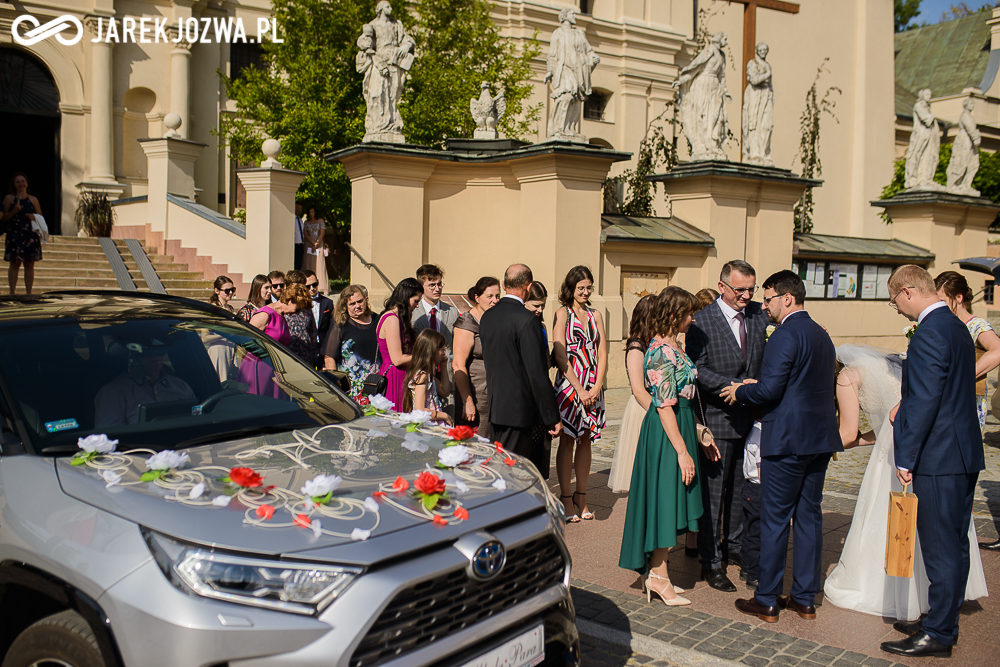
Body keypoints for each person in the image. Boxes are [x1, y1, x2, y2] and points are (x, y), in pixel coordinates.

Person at [823, 345, 988, 621]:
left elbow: (848, 434)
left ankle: (889, 592)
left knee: (891, 518)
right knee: (932, 525)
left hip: (893, 457)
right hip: (923, 447)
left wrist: (819, 443)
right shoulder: (891, 363)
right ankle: (938, 594)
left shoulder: (845, 377)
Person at [721, 270, 842, 624]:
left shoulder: (785, 335)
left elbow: (770, 391)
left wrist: (741, 390)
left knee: (774, 520)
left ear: (787, 298)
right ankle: (804, 599)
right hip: (818, 439)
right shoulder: (821, 335)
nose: (765, 304)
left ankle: (767, 599)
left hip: (787, 440)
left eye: (769, 297)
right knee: (809, 519)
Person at [880, 265, 984, 659]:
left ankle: (939, 633)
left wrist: (907, 455)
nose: (899, 309)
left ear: (908, 292)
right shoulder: (957, 325)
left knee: (941, 547)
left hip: (939, 457)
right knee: (954, 544)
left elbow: (923, 401)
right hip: (962, 451)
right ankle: (942, 616)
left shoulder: (928, 334)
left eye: (895, 302)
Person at [684, 260, 768, 592]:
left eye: (752, 289)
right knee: (715, 495)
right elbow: (697, 369)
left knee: (742, 491)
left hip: (753, 419)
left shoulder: (762, 315)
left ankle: (734, 547)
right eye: (739, 290)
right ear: (722, 287)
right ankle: (711, 561)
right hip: (718, 418)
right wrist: (736, 386)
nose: (746, 296)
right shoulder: (702, 321)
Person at [618, 286, 704, 607]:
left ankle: (659, 574)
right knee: (664, 502)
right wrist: (682, 450)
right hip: (668, 430)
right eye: (688, 313)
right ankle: (658, 577)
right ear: (672, 315)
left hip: (678, 424)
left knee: (671, 500)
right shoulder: (658, 351)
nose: (692, 319)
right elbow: (664, 405)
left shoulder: (672, 346)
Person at [479, 264, 562, 468]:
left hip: (496, 406)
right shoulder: (527, 320)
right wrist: (551, 416)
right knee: (512, 471)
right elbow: (537, 373)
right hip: (519, 411)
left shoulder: (488, 316)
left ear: (504, 284)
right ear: (528, 286)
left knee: (499, 467)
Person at [553, 266, 607, 522]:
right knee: (567, 438)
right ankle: (565, 498)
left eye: (589, 287)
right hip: (569, 383)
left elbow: (603, 352)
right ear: (571, 288)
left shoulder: (596, 314)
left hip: (592, 383)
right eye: (580, 288)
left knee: (586, 438)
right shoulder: (562, 313)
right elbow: (560, 353)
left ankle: (581, 495)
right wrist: (579, 388)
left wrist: (596, 387)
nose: (585, 292)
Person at [934, 271, 1000, 432]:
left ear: (958, 297)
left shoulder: (977, 325)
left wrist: (965, 375)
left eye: (942, 300)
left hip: (965, 404)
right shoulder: (943, 323)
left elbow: (998, 350)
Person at [608, 295, 655, 494]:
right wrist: (659, 412)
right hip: (644, 408)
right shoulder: (636, 347)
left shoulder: (655, 343)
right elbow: (638, 389)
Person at [95, 346, 196, 428]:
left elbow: (197, 420)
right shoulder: (113, 392)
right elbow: (109, 437)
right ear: (131, 356)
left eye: (160, 350)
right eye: (147, 351)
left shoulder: (181, 386)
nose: (155, 355)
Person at [453, 276, 501, 436]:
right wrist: (468, 401)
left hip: (493, 394)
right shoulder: (467, 323)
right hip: (475, 394)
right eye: (490, 296)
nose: (495, 300)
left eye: (497, 296)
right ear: (477, 297)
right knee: (475, 444)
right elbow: (458, 365)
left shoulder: (493, 319)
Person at [412, 264, 458, 411]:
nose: (437, 288)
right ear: (421, 286)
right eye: (432, 285)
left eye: (439, 284)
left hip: (446, 374)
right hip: (422, 375)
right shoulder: (413, 312)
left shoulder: (452, 311)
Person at [377, 277, 423, 410]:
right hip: (394, 376)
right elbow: (397, 359)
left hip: (400, 374)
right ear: (406, 296)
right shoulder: (392, 319)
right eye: (416, 301)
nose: (417, 305)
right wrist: (425, 357)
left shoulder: (396, 318)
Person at [325, 284, 378, 398]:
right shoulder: (340, 325)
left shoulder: (378, 320)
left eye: (360, 301)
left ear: (366, 300)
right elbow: (329, 357)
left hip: (377, 384)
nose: (357, 306)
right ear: (346, 306)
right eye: (352, 304)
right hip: (350, 387)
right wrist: (337, 386)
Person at [240, 291, 296, 398]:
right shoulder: (265, 314)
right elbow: (246, 340)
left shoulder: (281, 315)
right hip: (259, 367)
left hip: (275, 368)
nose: (297, 313)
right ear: (289, 301)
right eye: (297, 309)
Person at [2, 173, 43, 295]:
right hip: (15, 234)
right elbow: (3, 217)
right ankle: (12, 292)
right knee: (14, 264)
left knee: (29, 264)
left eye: (23, 181)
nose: (21, 184)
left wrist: (33, 216)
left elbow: (40, 217)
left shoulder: (33, 199)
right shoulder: (9, 198)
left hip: (30, 235)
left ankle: (29, 292)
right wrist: (14, 210)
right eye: (18, 182)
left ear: (27, 184)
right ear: (14, 185)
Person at [403, 329, 453, 424]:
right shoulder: (422, 376)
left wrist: (443, 367)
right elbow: (420, 409)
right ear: (432, 351)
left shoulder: (429, 374)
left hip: (432, 421)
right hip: (427, 424)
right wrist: (444, 415)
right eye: (442, 349)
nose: (444, 353)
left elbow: (445, 391)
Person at [739, 420, 762, 590]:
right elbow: (763, 469)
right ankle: (754, 575)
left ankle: (746, 568)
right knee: (757, 535)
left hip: (750, 487)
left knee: (750, 531)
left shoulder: (755, 428)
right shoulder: (764, 432)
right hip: (759, 488)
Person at [279, 283, 318, 365]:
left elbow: (311, 333)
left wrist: (315, 357)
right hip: (288, 357)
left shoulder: (306, 311)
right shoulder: (281, 313)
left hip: (306, 356)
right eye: (297, 309)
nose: (298, 312)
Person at [305, 269, 335, 368]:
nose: (312, 288)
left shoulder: (328, 303)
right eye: (308, 286)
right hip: (308, 347)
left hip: (324, 347)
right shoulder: (300, 305)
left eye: (315, 284)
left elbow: (331, 326)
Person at [302, 205, 329, 293]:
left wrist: (317, 242)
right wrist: (312, 243)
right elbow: (305, 234)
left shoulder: (320, 221)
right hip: (309, 244)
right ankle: (308, 284)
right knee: (308, 263)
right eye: (310, 212)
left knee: (320, 264)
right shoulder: (306, 222)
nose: (311, 214)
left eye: (312, 212)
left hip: (319, 244)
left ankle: (323, 287)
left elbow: (322, 233)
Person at [293, 202, 305, 271]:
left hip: (301, 245)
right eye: (297, 208)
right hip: (294, 245)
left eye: (300, 208)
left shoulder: (300, 220)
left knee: (299, 265)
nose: (299, 210)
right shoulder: (292, 219)